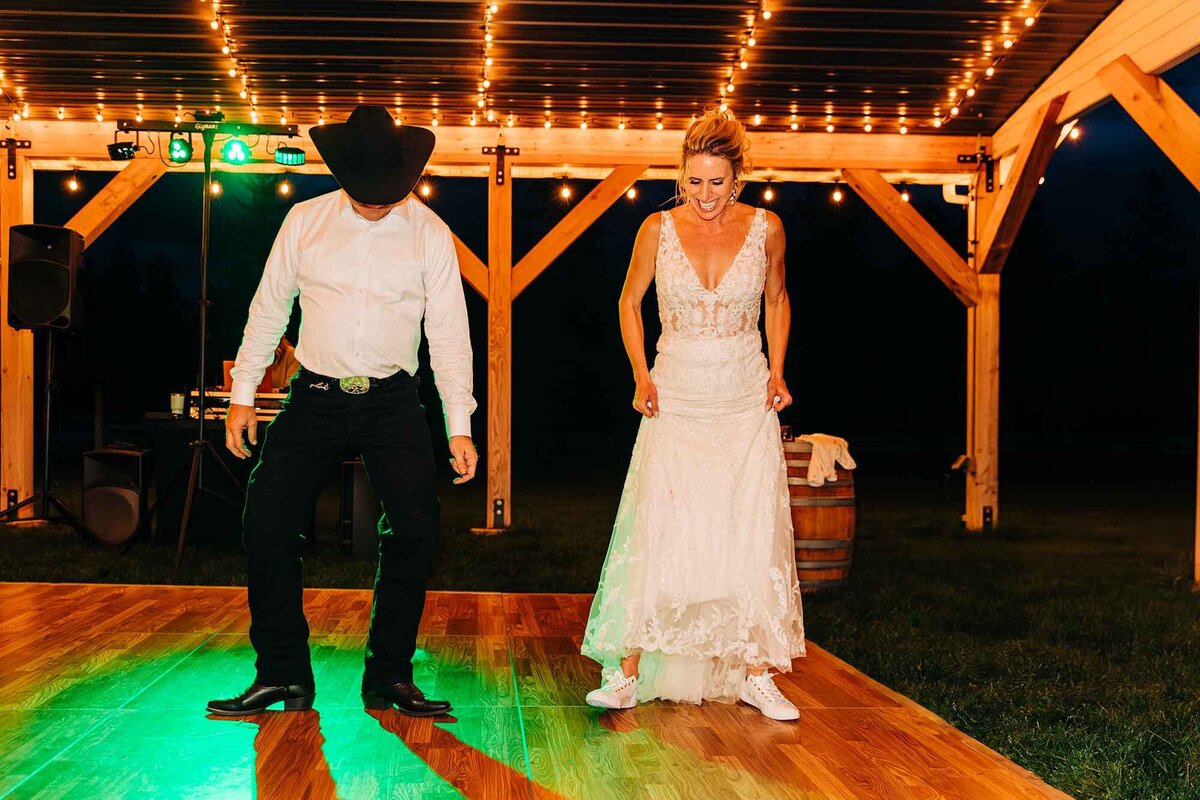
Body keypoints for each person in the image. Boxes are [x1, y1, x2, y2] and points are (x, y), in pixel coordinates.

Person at [207, 105, 477, 718]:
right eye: (367, 193)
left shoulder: (429, 233)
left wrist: (458, 424)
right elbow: (268, 310)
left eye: (389, 193)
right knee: (266, 523)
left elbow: (450, 334)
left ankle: (388, 677)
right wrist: (243, 395)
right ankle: (282, 675)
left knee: (416, 530)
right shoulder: (304, 222)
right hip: (315, 398)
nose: (378, 203)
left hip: (392, 401)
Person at [581, 109, 806, 721]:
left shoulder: (768, 229)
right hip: (676, 393)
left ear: (738, 178)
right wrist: (640, 375)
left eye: (717, 182)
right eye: (695, 181)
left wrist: (779, 371)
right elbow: (628, 304)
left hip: (743, 395)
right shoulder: (656, 229)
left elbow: (777, 300)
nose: (705, 196)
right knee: (658, 524)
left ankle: (756, 671)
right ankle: (624, 670)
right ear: (682, 175)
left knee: (747, 526)